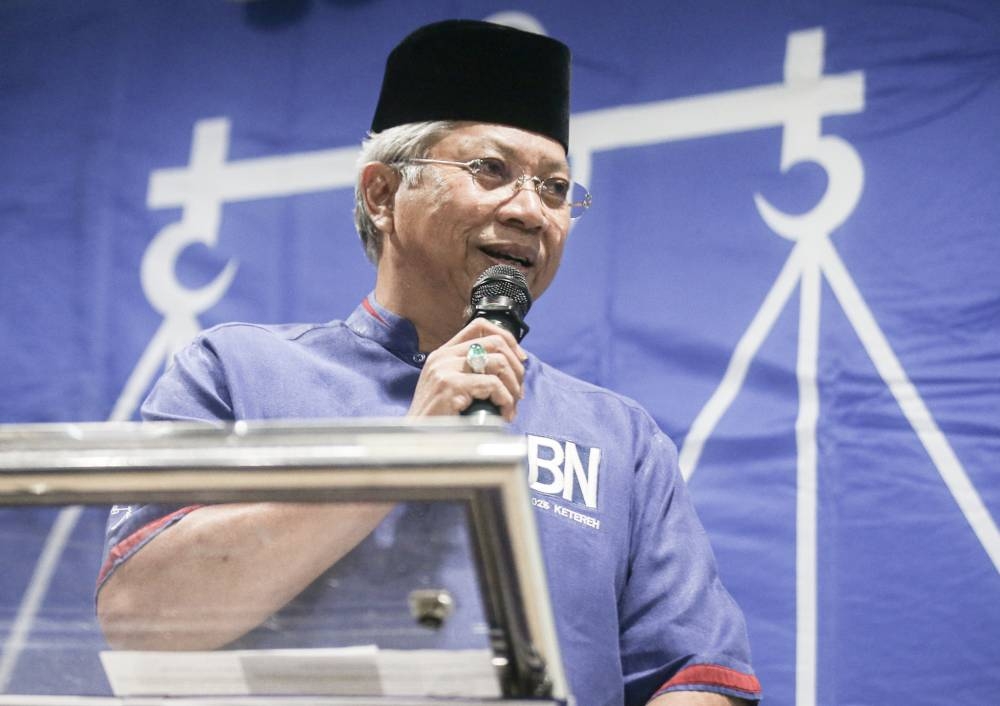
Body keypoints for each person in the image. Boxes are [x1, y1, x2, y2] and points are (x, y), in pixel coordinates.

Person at [96, 19, 761, 706]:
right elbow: (140, 616)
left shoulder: (621, 439)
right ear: (383, 195)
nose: (532, 212)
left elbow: (698, 674)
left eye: (556, 188)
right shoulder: (236, 371)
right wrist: (400, 455)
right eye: (491, 170)